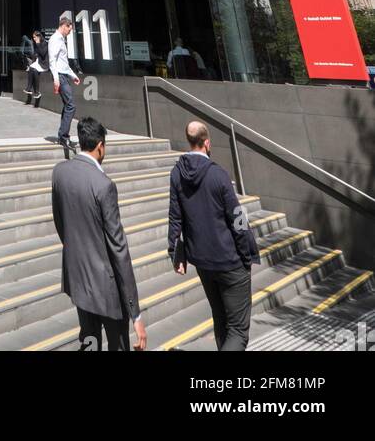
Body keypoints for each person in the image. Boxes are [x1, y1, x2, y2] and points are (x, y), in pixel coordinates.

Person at [51, 115, 147, 353]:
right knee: (120, 344)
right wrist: (135, 312)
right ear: (100, 146)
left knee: (89, 341)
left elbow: (60, 222)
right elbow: (119, 249)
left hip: (79, 280)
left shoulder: (60, 172)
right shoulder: (104, 185)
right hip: (107, 289)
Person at [167, 120, 259, 352]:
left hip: (203, 262)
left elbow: (174, 217)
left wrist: (175, 253)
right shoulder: (218, 175)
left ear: (189, 141)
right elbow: (238, 219)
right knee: (238, 331)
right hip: (230, 262)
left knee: (221, 321)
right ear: (207, 143)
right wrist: (246, 254)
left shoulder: (176, 174)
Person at [47, 12, 80, 147]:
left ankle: (63, 136)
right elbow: (52, 61)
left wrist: (73, 75)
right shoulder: (55, 39)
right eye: (69, 29)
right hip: (59, 76)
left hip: (64, 75)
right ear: (64, 26)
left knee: (68, 105)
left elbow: (63, 62)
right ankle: (63, 136)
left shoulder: (61, 40)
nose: (69, 32)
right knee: (71, 105)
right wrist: (56, 79)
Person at [25, 29, 48, 107]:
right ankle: (29, 88)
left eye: (35, 37)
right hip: (38, 63)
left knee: (34, 70)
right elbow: (35, 55)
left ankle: (37, 92)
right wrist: (31, 64)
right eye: (33, 37)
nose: (34, 39)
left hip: (43, 64)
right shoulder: (36, 44)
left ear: (38, 37)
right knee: (31, 68)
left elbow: (43, 53)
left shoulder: (44, 43)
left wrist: (38, 44)